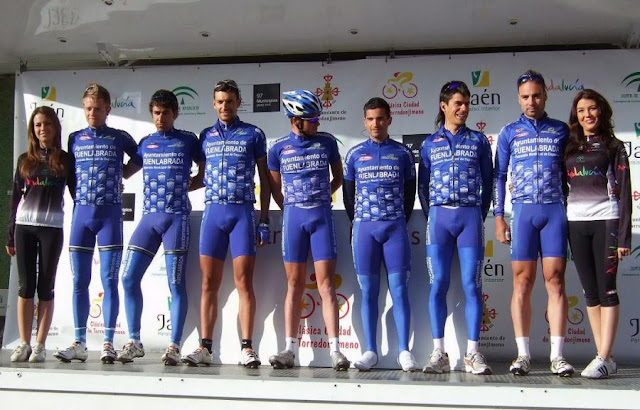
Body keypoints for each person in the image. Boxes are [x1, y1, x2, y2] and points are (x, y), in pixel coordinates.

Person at [181, 79, 270, 368]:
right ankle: (205, 347)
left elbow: (265, 180)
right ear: (213, 104)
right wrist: (175, 184)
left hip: (242, 212)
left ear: (238, 103)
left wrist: (264, 218)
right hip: (213, 214)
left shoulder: (253, 134)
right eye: (219, 102)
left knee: (244, 282)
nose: (224, 106)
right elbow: (200, 178)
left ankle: (248, 347)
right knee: (209, 283)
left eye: (229, 101)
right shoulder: (205, 136)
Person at [494, 70, 574, 376]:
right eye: (526, 97)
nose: (532, 101)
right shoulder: (509, 132)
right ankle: (523, 355)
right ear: (518, 98)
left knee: (556, 281)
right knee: (522, 282)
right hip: (523, 212)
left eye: (537, 95)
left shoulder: (561, 130)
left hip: (554, 210)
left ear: (545, 95)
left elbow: (573, 172)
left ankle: (558, 356)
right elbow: (499, 176)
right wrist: (499, 216)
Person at [55, 83, 142, 363]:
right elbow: (70, 175)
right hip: (81, 215)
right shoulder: (75, 138)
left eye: (97, 109)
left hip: (109, 216)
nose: (92, 113)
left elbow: (139, 156)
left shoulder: (119, 137)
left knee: (109, 280)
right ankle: (79, 342)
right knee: (80, 281)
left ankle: (108, 342)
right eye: (88, 108)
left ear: (108, 109)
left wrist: (123, 175)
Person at [115, 90, 203, 365]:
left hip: (176, 218)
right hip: (149, 218)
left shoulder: (188, 140)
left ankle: (174, 345)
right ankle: (134, 341)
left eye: (165, 113)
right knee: (128, 278)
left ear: (175, 114)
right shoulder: (146, 143)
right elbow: (125, 172)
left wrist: (193, 183)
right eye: (156, 113)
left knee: (175, 283)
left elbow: (206, 169)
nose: (160, 118)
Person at [267, 89, 350, 370]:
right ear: (296, 121)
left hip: (321, 217)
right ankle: (289, 349)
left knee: (326, 285)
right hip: (294, 219)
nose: (317, 123)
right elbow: (274, 188)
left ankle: (336, 350)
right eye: (312, 119)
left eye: (317, 118)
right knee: (294, 285)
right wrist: (291, 207)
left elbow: (338, 177)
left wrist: (323, 196)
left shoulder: (327, 142)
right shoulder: (278, 148)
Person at [418, 81, 493, 375]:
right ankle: (439, 352)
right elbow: (422, 186)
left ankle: (473, 353)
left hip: (469, 216)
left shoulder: (478, 141)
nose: (464, 108)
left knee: (472, 285)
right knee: (438, 284)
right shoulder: (429, 143)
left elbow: (488, 182)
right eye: (458, 103)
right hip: (439, 219)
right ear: (444, 106)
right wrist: (433, 214)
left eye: (467, 103)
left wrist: (477, 213)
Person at [343, 97, 418, 372]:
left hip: (394, 228)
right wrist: (358, 221)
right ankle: (370, 351)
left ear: (389, 119)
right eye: (371, 119)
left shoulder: (403, 153)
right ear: (365, 121)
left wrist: (397, 219)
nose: (376, 124)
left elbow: (410, 193)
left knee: (399, 290)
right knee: (369, 292)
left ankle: (404, 351)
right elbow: (348, 196)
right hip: (365, 229)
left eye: (380, 118)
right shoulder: (354, 154)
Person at [564, 89, 631, 378]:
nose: (587, 115)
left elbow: (625, 193)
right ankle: (604, 357)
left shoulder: (614, 146)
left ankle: (603, 356)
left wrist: (624, 237)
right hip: (576, 223)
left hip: (607, 221)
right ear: (576, 116)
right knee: (590, 292)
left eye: (591, 108)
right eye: (581, 110)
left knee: (607, 289)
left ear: (601, 111)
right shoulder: (570, 146)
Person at [7, 106, 75, 362]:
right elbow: (15, 198)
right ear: (32, 130)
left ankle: (40, 345)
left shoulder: (66, 160)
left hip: (52, 228)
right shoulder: (24, 159)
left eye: (47, 124)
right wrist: (10, 234)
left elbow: (78, 194)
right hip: (24, 227)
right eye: (38, 125)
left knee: (46, 287)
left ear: (55, 127)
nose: (42, 129)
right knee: (26, 286)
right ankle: (24, 343)